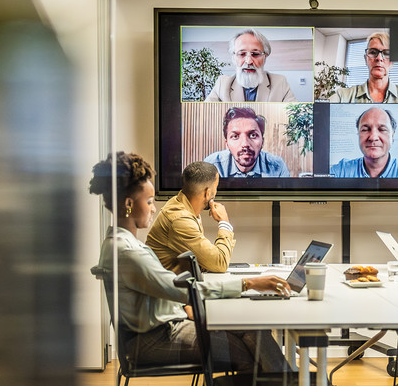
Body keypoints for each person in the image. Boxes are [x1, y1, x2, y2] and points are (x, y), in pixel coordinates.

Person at [90, 152, 290, 372]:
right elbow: (186, 290)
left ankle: (289, 379)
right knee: (244, 352)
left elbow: (168, 288)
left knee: (252, 328)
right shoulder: (127, 251)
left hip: (166, 325)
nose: (154, 208)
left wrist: (186, 306)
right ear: (129, 204)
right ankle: (288, 379)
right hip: (154, 339)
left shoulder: (124, 243)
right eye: (148, 202)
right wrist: (249, 284)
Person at [147, 161, 235, 273]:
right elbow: (220, 263)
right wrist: (224, 222)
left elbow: (203, 261)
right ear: (208, 193)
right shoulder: (180, 219)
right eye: (216, 187)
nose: (216, 192)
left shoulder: (185, 207)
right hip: (166, 288)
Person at [329, 32, 398, 104]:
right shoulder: (342, 97)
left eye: (387, 53)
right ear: (366, 59)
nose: (379, 58)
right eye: (373, 52)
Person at [205, 29, 296, 102]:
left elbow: (294, 116)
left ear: (265, 57)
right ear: (234, 57)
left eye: (255, 54)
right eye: (242, 54)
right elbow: (206, 115)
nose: (248, 61)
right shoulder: (223, 84)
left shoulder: (279, 83)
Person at [329, 107, 398, 178]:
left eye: (382, 129)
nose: (373, 137)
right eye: (365, 129)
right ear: (358, 134)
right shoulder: (341, 171)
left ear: (392, 136)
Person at [204, 107, 290, 177]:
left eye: (253, 135)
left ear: (262, 141)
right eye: (235, 136)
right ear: (227, 144)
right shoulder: (211, 166)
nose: (245, 144)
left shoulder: (277, 167)